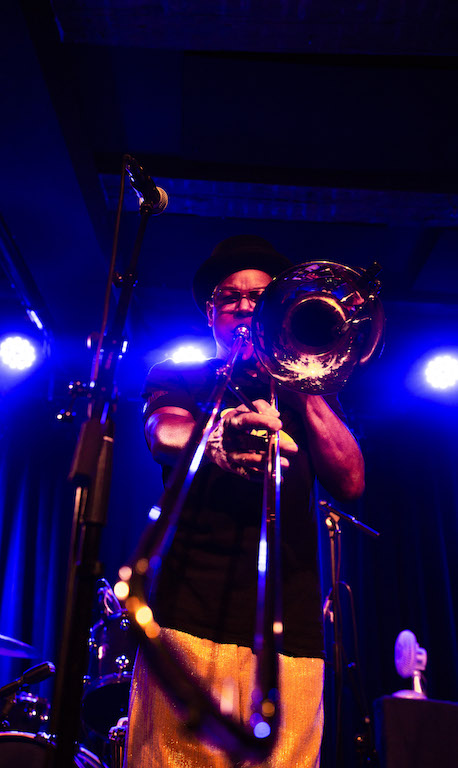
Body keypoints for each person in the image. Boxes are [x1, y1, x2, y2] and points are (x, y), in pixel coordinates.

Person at [125, 235, 365, 768]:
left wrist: (300, 383)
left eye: (258, 297)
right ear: (211, 314)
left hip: (291, 628)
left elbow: (351, 480)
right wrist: (216, 438)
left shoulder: (310, 391)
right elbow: (162, 431)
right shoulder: (178, 374)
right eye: (229, 297)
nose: (243, 306)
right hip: (185, 616)